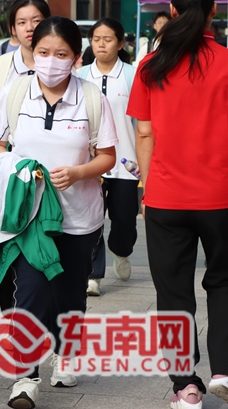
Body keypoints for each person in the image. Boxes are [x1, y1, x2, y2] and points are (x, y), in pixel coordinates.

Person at [0, 16, 117, 408]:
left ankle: (66, 351)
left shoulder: (91, 97)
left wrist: (77, 173)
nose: (51, 61)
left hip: (79, 217)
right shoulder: (16, 91)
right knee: (31, 291)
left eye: (61, 54)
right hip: (30, 217)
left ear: (76, 58)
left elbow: (107, 156)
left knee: (70, 291)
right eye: (43, 52)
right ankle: (25, 378)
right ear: (32, 52)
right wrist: (15, 168)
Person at [128, 0, 228, 409]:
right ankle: (224, 369)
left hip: (166, 197)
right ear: (213, 11)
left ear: (170, 11)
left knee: (173, 293)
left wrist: (147, 189)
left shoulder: (151, 66)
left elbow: (144, 134)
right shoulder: (226, 62)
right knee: (223, 283)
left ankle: (185, 387)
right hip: (221, 196)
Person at [78, 18, 138, 297]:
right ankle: (93, 275)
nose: (101, 44)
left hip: (127, 164)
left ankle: (121, 252)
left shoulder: (132, 75)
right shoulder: (80, 76)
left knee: (124, 222)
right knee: (92, 221)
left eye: (108, 39)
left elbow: (142, 123)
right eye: (96, 39)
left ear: (121, 43)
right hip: (91, 164)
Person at [0, 0, 51, 103]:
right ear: (13, 29)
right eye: (22, 22)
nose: (29, 28)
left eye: (36, 21)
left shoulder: (61, 66)